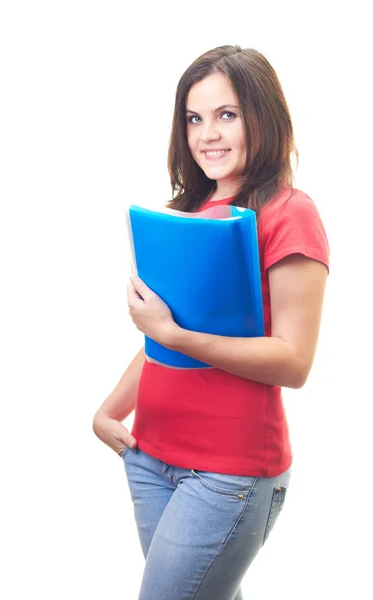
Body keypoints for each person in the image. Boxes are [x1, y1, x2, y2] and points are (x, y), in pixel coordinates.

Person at [93, 44, 329, 600]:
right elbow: (162, 334)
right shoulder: (191, 212)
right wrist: (110, 409)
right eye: (195, 119)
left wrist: (175, 334)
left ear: (263, 117)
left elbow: (293, 361)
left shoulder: (291, 213)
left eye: (227, 115)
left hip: (228, 475)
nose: (208, 135)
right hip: (151, 457)